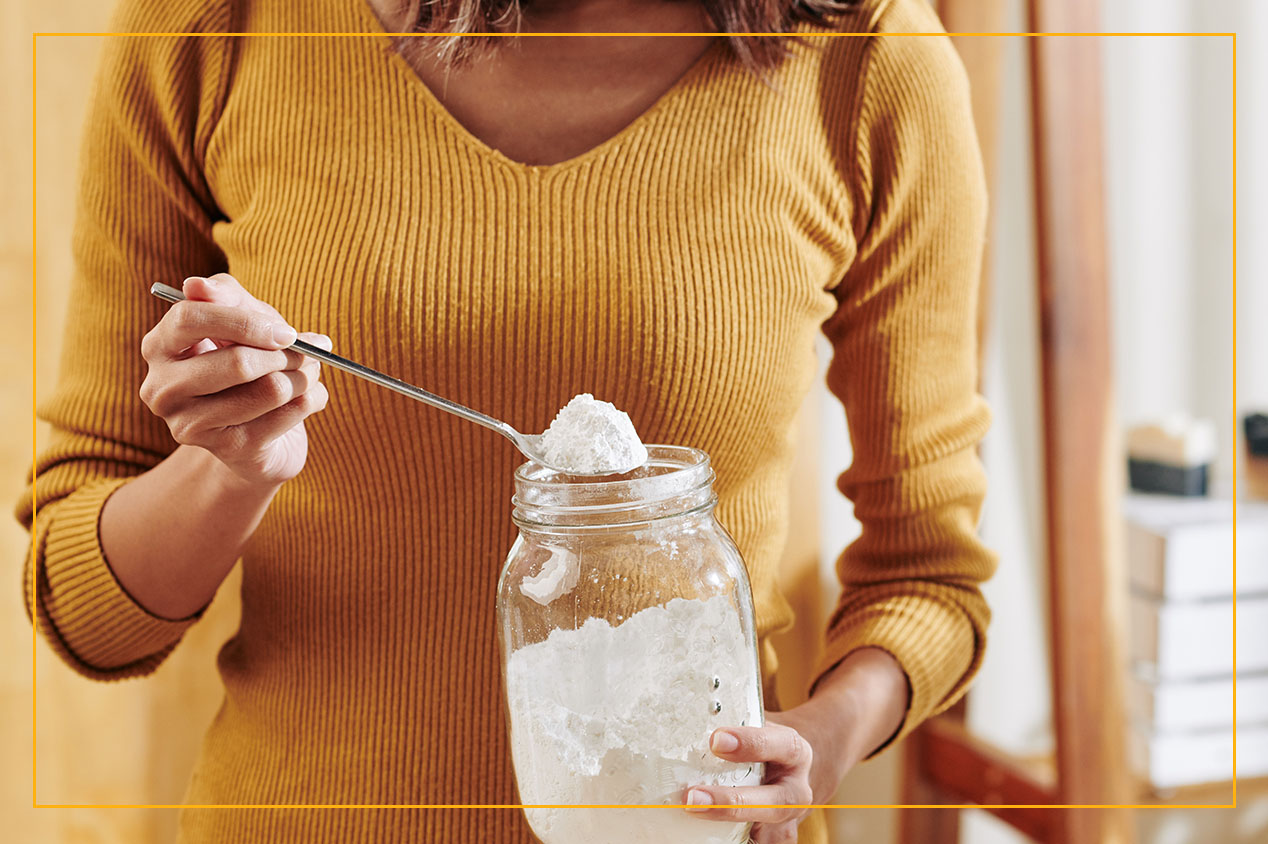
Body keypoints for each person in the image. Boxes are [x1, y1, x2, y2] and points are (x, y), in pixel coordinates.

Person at [17, 0, 997, 841]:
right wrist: (230, 470)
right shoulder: (214, 30)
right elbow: (85, 613)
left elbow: (929, 574)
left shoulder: (871, 61)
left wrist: (820, 742)